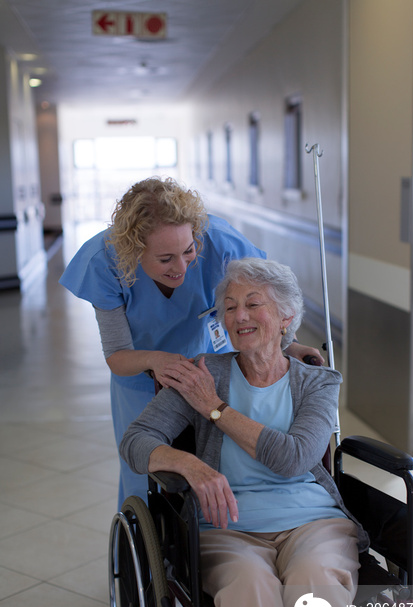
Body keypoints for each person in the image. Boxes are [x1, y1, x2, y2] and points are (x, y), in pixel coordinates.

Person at [120, 258, 370, 607]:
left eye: (253, 304)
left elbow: (293, 459)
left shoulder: (318, 382)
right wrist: (190, 464)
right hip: (227, 529)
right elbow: (136, 440)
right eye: (230, 306)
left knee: (318, 584)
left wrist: (215, 410)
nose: (238, 316)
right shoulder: (205, 374)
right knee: (250, 589)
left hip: (313, 525)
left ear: (286, 318)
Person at [59, 178, 323, 508]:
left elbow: (265, 302)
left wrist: (290, 344)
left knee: (223, 463)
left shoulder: (220, 242)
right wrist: (156, 360)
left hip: (209, 370)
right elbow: (117, 355)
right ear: (134, 250)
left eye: (188, 251)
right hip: (141, 379)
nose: (182, 267)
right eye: (166, 258)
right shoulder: (105, 262)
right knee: (147, 471)